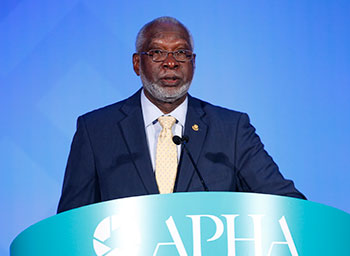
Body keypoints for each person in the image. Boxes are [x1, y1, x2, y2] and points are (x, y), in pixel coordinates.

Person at [57, 16, 305, 213]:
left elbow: (286, 203)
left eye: (181, 53)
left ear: (193, 63)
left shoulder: (231, 129)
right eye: (157, 52)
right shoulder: (96, 129)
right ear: (136, 63)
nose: (170, 62)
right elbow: (71, 220)